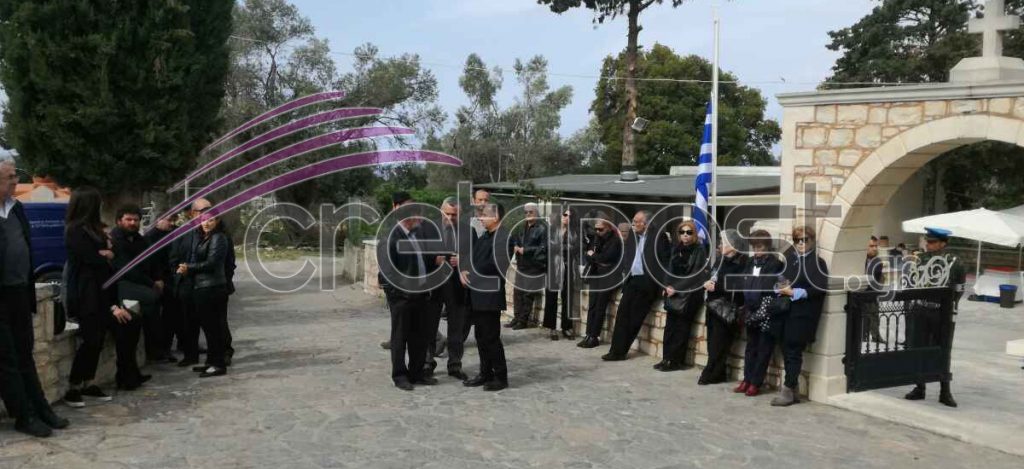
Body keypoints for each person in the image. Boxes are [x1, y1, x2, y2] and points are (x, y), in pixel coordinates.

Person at [0, 159, 69, 437]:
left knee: (25, 353)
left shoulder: (16, 209)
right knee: (6, 360)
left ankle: (41, 408)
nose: (16, 181)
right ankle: (23, 414)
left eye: (15, 175)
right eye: (9, 177)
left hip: (18, 291)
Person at [63, 187, 135, 407]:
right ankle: (74, 386)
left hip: (101, 288)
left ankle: (89, 381)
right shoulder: (75, 230)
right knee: (90, 339)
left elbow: (106, 254)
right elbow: (90, 258)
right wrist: (104, 255)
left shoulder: (94, 228)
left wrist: (107, 254)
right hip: (86, 291)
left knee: (99, 338)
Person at [378, 192, 441, 391]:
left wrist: (435, 262)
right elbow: (387, 272)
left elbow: (420, 262)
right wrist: (400, 295)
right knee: (400, 338)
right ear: (396, 209)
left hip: (421, 294)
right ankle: (400, 375)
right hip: (402, 298)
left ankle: (416, 373)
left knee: (419, 337)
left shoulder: (415, 234)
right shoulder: (390, 235)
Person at [904, 227, 965, 408]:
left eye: (932, 242)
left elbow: (960, 288)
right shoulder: (919, 259)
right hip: (921, 309)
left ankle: (944, 391)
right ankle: (919, 387)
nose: (928, 245)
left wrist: (949, 303)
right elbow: (911, 282)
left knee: (943, 350)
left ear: (943, 243)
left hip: (941, 312)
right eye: (927, 242)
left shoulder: (954, 262)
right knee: (919, 348)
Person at [770, 226, 829, 407]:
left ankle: (788, 390)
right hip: (785, 312)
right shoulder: (789, 259)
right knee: (787, 351)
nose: (801, 243)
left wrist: (794, 291)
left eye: (805, 239)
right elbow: (778, 279)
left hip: (803, 314)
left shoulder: (818, 263)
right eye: (797, 240)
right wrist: (780, 287)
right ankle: (792, 389)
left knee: (794, 351)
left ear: (812, 241)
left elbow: (819, 288)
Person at [602, 211, 667, 361]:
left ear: (647, 223)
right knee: (622, 316)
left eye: (637, 221)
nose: (634, 224)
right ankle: (614, 350)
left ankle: (621, 352)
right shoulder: (632, 235)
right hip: (632, 280)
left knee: (634, 319)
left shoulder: (658, 236)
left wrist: (664, 284)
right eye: (633, 221)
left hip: (647, 282)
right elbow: (628, 256)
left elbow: (664, 261)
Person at [461, 202, 511, 391]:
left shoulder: (503, 237)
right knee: (481, 336)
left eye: (484, 215)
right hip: (477, 295)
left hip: (490, 295)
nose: (480, 218)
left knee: (491, 337)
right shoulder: (485, 236)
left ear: (496, 217)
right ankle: (485, 373)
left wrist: (470, 272)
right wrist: (464, 269)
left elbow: (493, 265)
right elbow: (471, 256)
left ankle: (500, 376)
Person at [177, 206, 231, 378]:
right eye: (203, 220)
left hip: (212, 288)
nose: (206, 223)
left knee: (213, 329)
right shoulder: (206, 237)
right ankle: (211, 362)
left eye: (211, 220)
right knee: (208, 328)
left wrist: (189, 268)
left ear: (218, 221)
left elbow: (212, 263)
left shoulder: (218, 238)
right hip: (203, 287)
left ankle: (218, 364)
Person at [109, 205, 157, 389]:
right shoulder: (114, 240)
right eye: (128, 219)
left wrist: (157, 278)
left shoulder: (139, 239)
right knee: (150, 300)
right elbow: (126, 270)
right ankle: (129, 373)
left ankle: (132, 372)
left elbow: (149, 263)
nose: (132, 223)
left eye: (135, 220)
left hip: (136, 284)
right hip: (119, 289)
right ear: (119, 221)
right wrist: (151, 284)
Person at [734, 230, 783, 397]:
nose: (757, 250)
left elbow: (771, 286)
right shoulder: (750, 262)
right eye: (754, 247)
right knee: (750, 347)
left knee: (763, 348)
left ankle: (756, 382)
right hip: (751, 308)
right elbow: (742, 280)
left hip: (766, 309)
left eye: (760, 246)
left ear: (767, 247)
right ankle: (747, 379)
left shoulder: (774, 263)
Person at [656, 220, 707, 372]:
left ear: (694, 234)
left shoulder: (699, 250)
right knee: (670, 327)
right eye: (682, 232)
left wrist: (676, 288)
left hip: (689, 294)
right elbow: (669, 269)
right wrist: (666, 285)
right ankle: (666, 358)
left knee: (681, 328)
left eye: (689, 232)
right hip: (673, 292)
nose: (685, 235)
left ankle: (675, 361)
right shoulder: (675, 248)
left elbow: (695, 275)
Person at [699, 230, 747, 385]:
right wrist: (707, 283)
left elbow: (737, 284)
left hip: (726, 309)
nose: (720, 245)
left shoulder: (741, 262)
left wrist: (716, 286)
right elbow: (711, 275)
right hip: (713, 305)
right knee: (712, 341)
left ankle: (712, 372)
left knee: (720, 343)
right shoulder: (720, 260)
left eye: (724, 242)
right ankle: (716, 371)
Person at [433, 197, 472, 380]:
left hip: (457, 286)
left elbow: (476, 258)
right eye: (446, 213)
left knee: (456, 327)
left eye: (454, 215)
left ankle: (455, 365)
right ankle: (427, 363)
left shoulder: (468, 231)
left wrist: (463, 260)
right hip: (433, 285)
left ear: (460, 215)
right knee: (429, 325)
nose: (449, 217)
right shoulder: (429, 230)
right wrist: (434, 259)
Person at [577, 217, 621, 348]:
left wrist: (593, 257)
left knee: (600, 307)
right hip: (596, 274)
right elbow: (588, 255)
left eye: (600, 229)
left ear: (608, 228)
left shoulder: (615, 241)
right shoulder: (597, 238)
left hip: (607, 277)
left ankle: (594, 336)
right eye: (596, 228)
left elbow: (607, 258)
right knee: (592, 305)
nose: (597, 231)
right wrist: (595, 258)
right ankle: (588, 334)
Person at [144, 217, 181, 363]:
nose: (172, 223)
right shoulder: (150, 237)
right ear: (159, 220)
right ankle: (160, 350)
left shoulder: (171, 233)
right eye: (169, 220)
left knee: (173, 316)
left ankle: (168, 348)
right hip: (158, 281)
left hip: (169, 279)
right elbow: (152, 262)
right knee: (162, 318)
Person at [543, 207, 582, 341]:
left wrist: (562, 248)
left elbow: (577, 248)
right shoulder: (552, 230)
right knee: (551, 298)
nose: (567, 217)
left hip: (569, 268)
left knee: (567, 299)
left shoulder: (575, 232)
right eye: (564, 215)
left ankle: (566, 327)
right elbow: (548, 247)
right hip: (554, 268)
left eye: (570, 216)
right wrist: (565, 248)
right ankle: (552, 328)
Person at [509, 202, 547, 330]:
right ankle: (516, 318)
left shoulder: (542, 228)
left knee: (528, 295)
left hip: (534, 266)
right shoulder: (522, 227)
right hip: (521, 265)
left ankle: (523, 321)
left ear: (536, 213)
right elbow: (516, 239)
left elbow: (543, 248)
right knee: (517, 293)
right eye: (526, 212)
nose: (528, 214)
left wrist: (526, 250)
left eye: (530, 212)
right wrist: (515, 246)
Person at [864, 236, 885, 343]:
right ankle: (863, 335)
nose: (875, 248)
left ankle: (875, 336)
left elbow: (874, 279)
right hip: (858, 293)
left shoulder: (878, 262)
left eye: (876, 246)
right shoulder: (858, 260)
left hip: (871, 292)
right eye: (871, 246)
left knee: (873, 314)